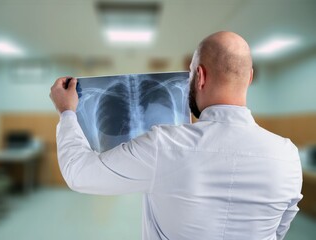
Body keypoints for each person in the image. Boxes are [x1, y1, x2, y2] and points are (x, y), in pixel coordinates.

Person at [50, 31, 302, 240]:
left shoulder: (165, 145)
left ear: (200, 76)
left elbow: (79, 172)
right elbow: (277, 233)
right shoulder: (288, 156)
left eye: (191, 72)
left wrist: (67, 113)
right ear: (249, 78)